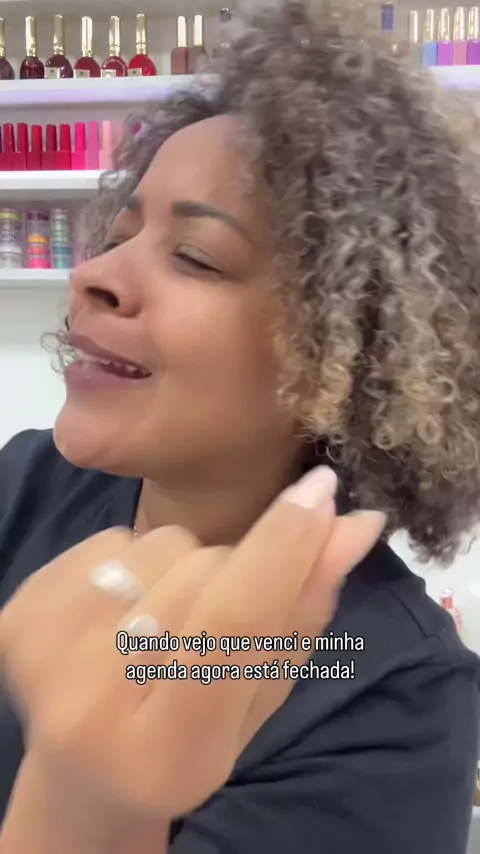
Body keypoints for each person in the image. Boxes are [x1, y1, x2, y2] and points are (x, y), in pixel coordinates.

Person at [0, 7, 480, 853]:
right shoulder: (24, 482)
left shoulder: (391, 696)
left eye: (196, 256)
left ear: (344, 353)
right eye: (119, 234)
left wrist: (84, 803)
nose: (96, 273)